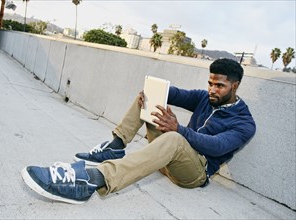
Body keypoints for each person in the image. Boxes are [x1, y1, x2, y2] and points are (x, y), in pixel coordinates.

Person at [21, 58, 256, 204]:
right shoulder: (205, 97)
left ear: (234, 86)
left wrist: (180, 129)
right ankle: (116, 145)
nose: (212, 90)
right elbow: (174, 94)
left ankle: (92, 180)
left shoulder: (244, 122)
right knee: (152, 100)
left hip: (193, 173)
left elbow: (217, 146)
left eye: (219, 86)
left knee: (174, 136)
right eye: (210, 83)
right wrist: (152, 91)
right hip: (167, 159)